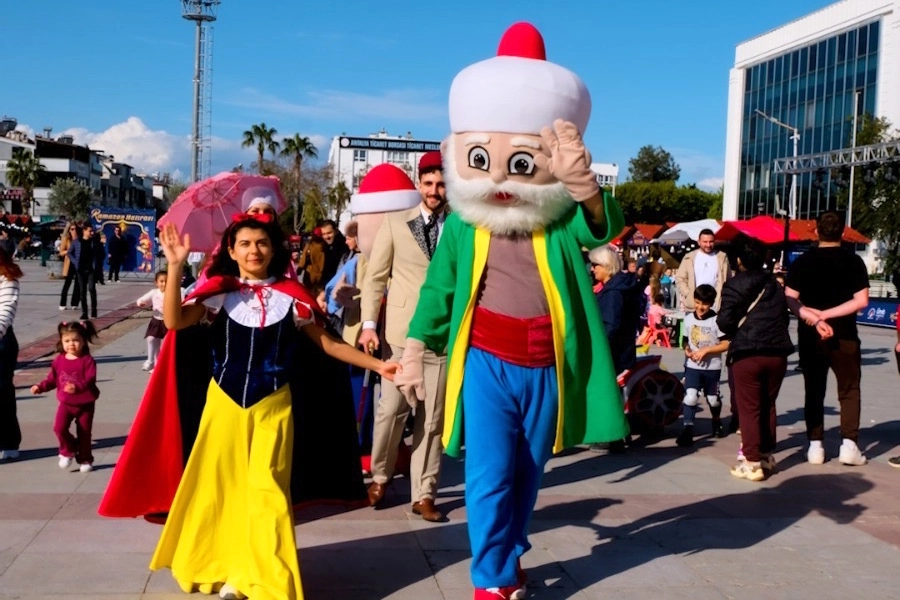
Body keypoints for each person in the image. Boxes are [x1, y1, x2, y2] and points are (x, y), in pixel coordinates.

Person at [394, 23, 628, 599]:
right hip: (486, 360)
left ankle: (509, 550)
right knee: (489, 473)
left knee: (528, 470)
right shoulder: (464, 225)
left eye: (519, 161)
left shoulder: (558, 219)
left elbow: (602, 229)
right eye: (482, 158)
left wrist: (585, 188)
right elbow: (438, 291)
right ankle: (491, 578)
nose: (499, 175)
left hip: (548, 362)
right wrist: (414, 348)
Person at [143, 217, 398, 600]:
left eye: (261, 242)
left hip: (273, 406)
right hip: (223, 405)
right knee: (221, 488)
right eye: (245, 244)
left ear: (273, 247)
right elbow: (175, 322)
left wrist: (378, 366)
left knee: (268, 491)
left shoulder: (291, 297)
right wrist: (176, 265)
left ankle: (261, 579)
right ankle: (226, 568)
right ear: (232, 251)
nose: (254, 250)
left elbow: (328, 344)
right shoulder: (219, 294)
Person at [359, 151, 450, 523]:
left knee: (432, 420)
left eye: (441, 184)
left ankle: (423, 494)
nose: (434, 190)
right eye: (428, 183)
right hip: (399, 335)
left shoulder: (461, 227)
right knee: (391, 411)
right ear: (419, 184)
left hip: (443, 337)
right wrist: (368, 324)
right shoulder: (396, 222)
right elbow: (375, 277)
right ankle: (380, 477)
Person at [785, 211, 870, 466]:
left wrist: (815, 317)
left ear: (816, 231)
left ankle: (815, 446)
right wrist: (828, 315)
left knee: (814, 389)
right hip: (845, 334)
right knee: (849, 389)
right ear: (842, 232)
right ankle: (849, 445)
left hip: (810, 336)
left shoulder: (802, 262)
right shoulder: (854, 262)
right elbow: (861, 301)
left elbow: (790, 299)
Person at [717, 242, 795, 481]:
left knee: (749, 408)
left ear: (739, 261)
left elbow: (724, 321)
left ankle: (751, 462)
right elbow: (784, 318)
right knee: (768, 404)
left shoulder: (734, 285)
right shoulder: (774, 284)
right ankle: (765, 455)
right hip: (777, 352)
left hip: (747, 353)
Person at [30, 320, 101, 472]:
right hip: (66, 403)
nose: (71, 344)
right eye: (67, 341)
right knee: (59, 428)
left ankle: (85, 459)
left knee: (84, 432)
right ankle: (68, 449)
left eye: (76, 340)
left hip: (86, 404)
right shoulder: (59, 360)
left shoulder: (87, 360)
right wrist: (40, 387)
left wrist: (77, 387)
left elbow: (90, 379)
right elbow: (52, 380)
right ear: (61, 342)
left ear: (83, 341)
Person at [677, 284, 730, 447]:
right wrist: (687, 349)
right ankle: (687, 429)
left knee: (713, 399)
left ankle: (716, 420)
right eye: (697, 302)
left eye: (705, 304)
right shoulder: (688, 319)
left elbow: (726, 344)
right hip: (693, 367)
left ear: (712, 303)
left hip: (712, 368)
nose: (700, 307)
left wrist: (707, 350)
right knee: (691, 396)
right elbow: (685, 339)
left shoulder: (717, 320)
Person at [590, 245, 641, 376]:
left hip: (613, 356)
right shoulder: (622, 285)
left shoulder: (613, 292)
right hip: (624, 353)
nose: (592, 269)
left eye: (595, 265)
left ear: (606, 265)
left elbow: (610, 325)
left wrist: (596, 349)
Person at [0, 247, 22, 460]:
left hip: (2, 342)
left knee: (3, 392)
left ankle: (9, 440)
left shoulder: (8, 279)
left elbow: (6, 311)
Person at [675, 228, 730, 310]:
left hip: (715, 305)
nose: (708, 245)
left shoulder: (722, 257)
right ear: (699, 242)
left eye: (711, 241)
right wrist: (689, 293)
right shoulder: (689, 257)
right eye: (705, 242)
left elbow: (728, 280)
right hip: (694, 305)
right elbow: (680, 278)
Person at [136, 270, 169, 372]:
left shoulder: (172, 293)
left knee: (164, 344)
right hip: (156, 320)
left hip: (168, 321)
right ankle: (150, 361)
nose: (164, 284)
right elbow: (140, 300)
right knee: (151, 339)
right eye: (161, 281)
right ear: (156, 282)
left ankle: (159, 366)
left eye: (167, 281)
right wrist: (141, 303)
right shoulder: (154, 292)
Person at [69, 225, 100, 319]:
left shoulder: (93, 242)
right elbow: (70, 252)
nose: (91, 233)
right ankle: (84, 312)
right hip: (80, 269)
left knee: (91, 289)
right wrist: (75, 262)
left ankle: (94, 310)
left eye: (92, 231)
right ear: (84, 231)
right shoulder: (76, 242)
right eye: (90, 231)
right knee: (82, 291)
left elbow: (100, 254)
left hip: (90, 269)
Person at [58, 224, 81, 311]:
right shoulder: (67, 239)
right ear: (69, 230)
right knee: (67, 283)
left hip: (78, 263)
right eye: (72, 229)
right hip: (69, 263)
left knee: (78, 284)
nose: (74, 231)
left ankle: (74, 303)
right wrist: (69, 250)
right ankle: (62, 303)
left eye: (75, 229)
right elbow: (61, 252)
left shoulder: (80, 239)